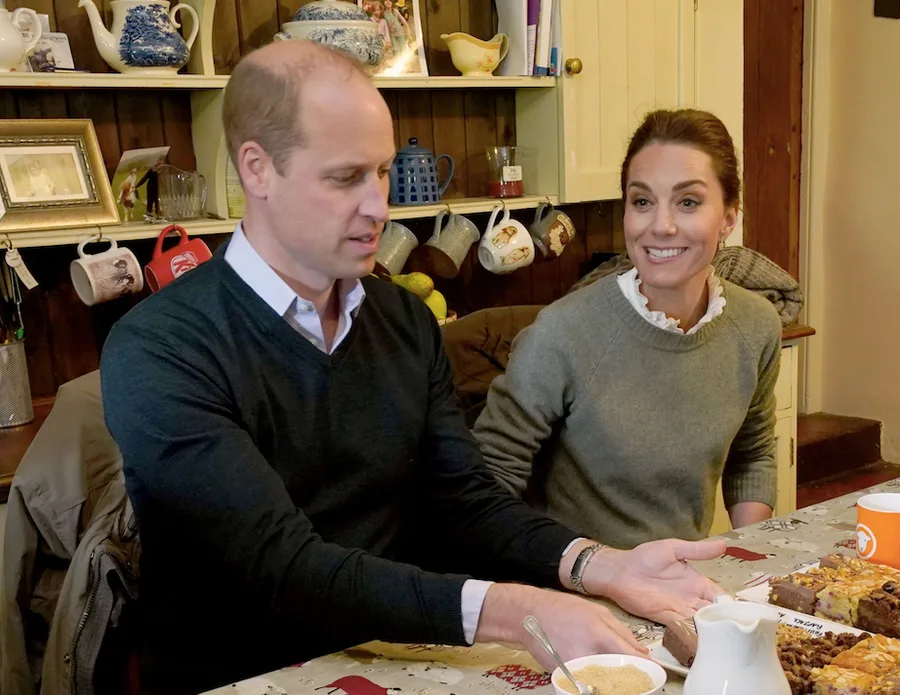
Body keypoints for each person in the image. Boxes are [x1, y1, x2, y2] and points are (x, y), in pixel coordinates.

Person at [99, 43, 726, 695]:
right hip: (249, 676)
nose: (378, 205)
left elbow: (463, 499)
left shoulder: (402, 319)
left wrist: (597, 564)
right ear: (257, 169)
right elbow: (281, 566)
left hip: (400, 659)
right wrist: (516, 609)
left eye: (383, 171)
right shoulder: (160, 348)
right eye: (346, 178)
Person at [474, 108, 782, 549]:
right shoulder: (562, 334)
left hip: (685, 580)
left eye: (688, 202)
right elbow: (485, 489)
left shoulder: (756, 325)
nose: (661, 225)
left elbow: (753, 454)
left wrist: (746, 559)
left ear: (730, 216)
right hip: (577, 593)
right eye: (642, 201)